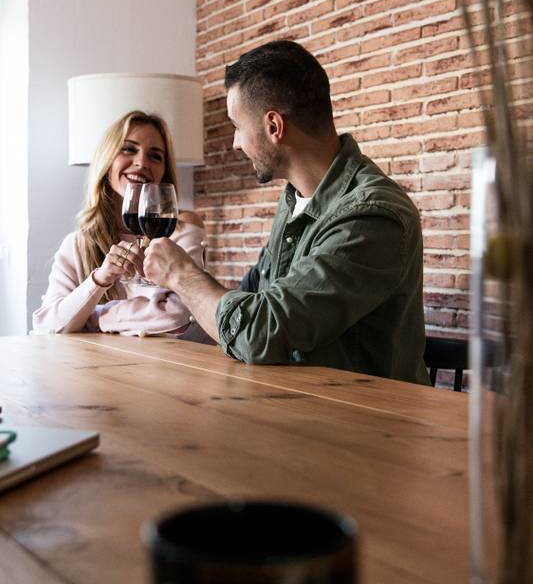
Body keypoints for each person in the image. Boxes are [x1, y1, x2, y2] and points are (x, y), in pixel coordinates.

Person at [144, 40, 429, 384]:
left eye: (236, 125)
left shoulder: (372, 216)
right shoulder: (297, 197)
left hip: (363, 425)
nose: (235, 143)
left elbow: (259, 333)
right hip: (293, 404)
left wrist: (181, 275)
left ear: (274, 127)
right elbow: (252, 296)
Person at [33, 110, 212, 343]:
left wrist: (91, 317)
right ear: (107, 161)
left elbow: (178, 314)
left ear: (163, 173)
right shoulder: (78, 244)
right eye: (129, 149)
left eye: (155, 156)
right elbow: (47, 325)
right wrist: (99, 279)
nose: (141, 162)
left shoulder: (182, 229)